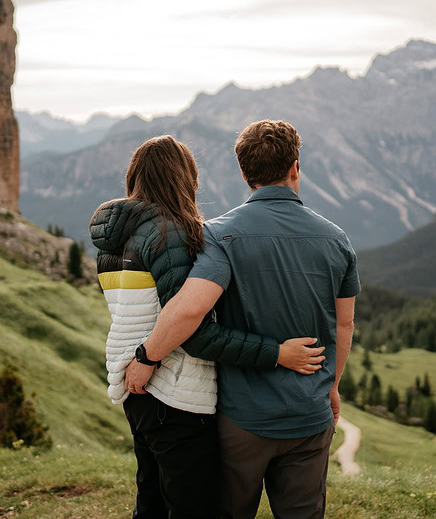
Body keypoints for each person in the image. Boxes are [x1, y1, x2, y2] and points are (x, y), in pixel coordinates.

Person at [125, 120, 359, 519]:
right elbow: (344, 325)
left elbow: (190, 308)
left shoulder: (219, 235)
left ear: (243, 172)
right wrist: (331, 386)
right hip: (309, 414)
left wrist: (146, 358)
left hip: (241, 421)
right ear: (295, 168)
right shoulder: (336, 238)